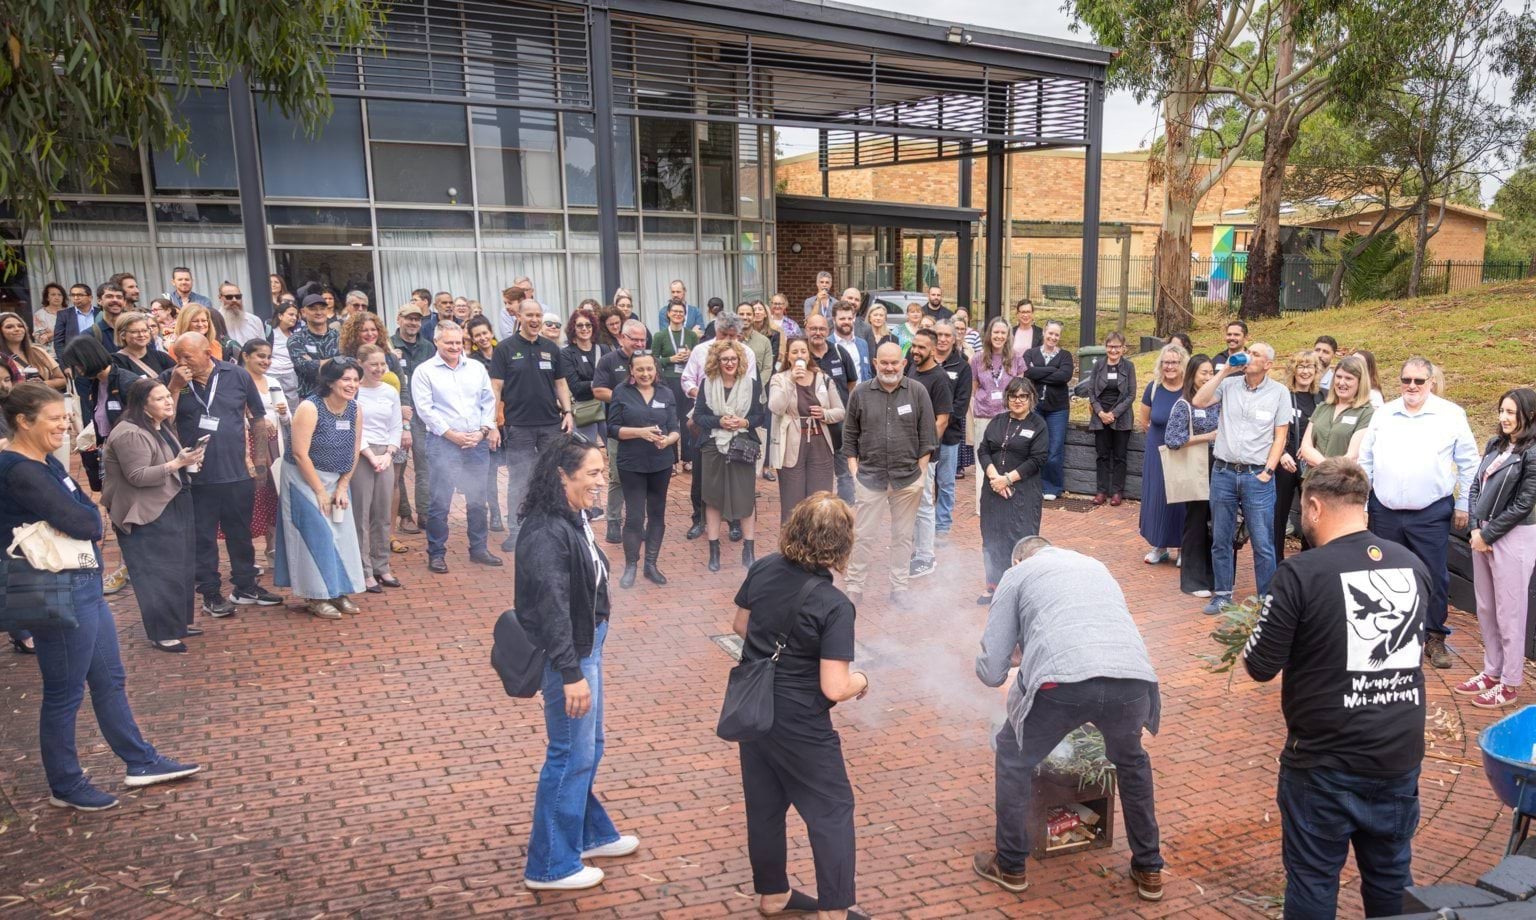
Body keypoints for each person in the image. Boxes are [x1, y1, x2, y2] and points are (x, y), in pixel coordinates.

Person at [0, 382, 201, 811]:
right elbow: (86, 521)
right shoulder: (19, 469)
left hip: (82, 584)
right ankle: (65, 785)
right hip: (57, 592)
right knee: (64, 692)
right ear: (23, 421)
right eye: (54, 418)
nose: (64, 424)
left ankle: (140, 761)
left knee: (109, 680)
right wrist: (89, 518)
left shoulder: (41, 461)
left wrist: (88, 516)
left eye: (64, 416)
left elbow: (86, 512)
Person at [1243, 457, 1429, 919]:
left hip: (1324, 763)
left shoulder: (1301, 574)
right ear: (1363, 507)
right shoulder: (1412, 565)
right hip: (1397, 758)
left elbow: (1260, 664)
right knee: (1391, 879)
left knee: (1312, 881)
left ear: (1314, 508)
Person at [974, 536, 1164, 903]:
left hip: (1063, 684)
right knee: (1132, 762)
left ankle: (1011, 865)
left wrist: (1014, 658)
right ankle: (1150, 867)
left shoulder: (1017, 575)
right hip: (1133, 679)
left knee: (1013, 756)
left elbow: (991, 670)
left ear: (1017, 561)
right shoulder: (1095, 565)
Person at [732, 494, 871, 920]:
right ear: (841, 545)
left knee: (765, 805)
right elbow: (834, 686)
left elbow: (740, 624)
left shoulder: (765, 567)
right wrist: (861, 681)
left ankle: (773, 894)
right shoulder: (834, 605)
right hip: (800, 720)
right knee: (831, 809)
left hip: (753, 707)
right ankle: (834, 909)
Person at [514, 435, 638, 892]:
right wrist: (570, 674)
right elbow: (553, 609)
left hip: (586, 645)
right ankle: (549, 865)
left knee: (590, 746)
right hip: (570, 654)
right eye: (592, 473)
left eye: (603, 472)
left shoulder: (573, 516)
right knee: (570, 754)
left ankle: (588, 834)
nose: (601, 481)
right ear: (561, 476)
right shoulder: (547, 531)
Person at [1358, 356, 1480, 669]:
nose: (1412, 386)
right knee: (1385, 574)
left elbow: (1469, 462)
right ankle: (1390, 637)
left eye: (1418, 381)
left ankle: (1435, 637)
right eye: (1406, 380)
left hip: (1430, 512)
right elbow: (1366, 460)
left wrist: (1465, 503)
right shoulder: (1384, 414)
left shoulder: (1450, 414)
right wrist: (1362, 503)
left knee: (1434, 576)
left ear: (1430, 382)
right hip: (1384, 510)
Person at [161, 332, 282, 617]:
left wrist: (260, 459)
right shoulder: (172, 377)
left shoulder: (237, 375)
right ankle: (210, 593)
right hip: (196, 474)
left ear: (207, 352)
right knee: (202, 536)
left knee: (240, 533)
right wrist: (175, 387)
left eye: (187, 356)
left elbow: (258, 417)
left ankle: (244, 586)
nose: (181, 361)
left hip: (236, 471)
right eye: (177, 356)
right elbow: (162, 421)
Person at [101, 377, 204, 651]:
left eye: (168, 397)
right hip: (145, 512)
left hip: (173, 501)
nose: (169, 401)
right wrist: (176, 463)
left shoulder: (160, 426)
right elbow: (138, 476)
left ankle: (178, 622)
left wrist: (186, 461)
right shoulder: (130, 432)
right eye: (160, 399)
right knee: (157, 572)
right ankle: (162, 632)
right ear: (142, 405)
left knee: (180, 566)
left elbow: (168, 462)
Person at [1191, 342, 1289, 614]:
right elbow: (1199, 401)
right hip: (1223, 472)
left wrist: (1268, 471)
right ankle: (1222, 594)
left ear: (1268, 364)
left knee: (1262, 543)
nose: (1249, 355)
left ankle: (1265, 601)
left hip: (1256, 476)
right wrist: (1224, 372)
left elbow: (1280, 436)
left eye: (1256, 354)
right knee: (1220, 537)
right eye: (1250, 351)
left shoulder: (1280, 393)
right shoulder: (1229, 385)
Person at [842, 341, 936, 605]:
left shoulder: (917, 392)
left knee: (903, 537)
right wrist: (853, 470)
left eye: (895, 362)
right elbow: (849, 436)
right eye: (884, 362)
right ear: (875, 363)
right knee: (863, 536)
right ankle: (855, 587)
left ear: (904, 364)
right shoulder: (860, 393)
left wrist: (920, 476)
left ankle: (899, 589)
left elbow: (928, 436)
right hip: (870, 478)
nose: (889, 367)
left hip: (907, 480)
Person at [1460, 389, 1536, 708]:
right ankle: (1492, 671)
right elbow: (1476, 485)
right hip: (1483, 534)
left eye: (1511, 412)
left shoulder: (1532, 452)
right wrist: (1477, 527)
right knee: (1487, 608)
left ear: (1528, 415)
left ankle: (1510, 682)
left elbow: (1524, 502)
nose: (1504, 418)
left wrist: (1488, 533)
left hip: (1514, 536)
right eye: (1501, 411)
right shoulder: (1495, 445)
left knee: (1510, 612)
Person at [275, 357, 365, 619]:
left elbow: (353, 448)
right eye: (346, 379)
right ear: (330, 382)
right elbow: (300, 453)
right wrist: (319, 491)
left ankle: (338, 591)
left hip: (337, 478)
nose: (352, 385)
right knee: (315, 534)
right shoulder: (310, 407)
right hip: (304, 478)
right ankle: (315, 595)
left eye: (356, 380)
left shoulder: (355, 409)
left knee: (341, 533)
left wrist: (342, 486)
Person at [417, 321, 505, 573]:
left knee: (478, 499)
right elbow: (425, 410)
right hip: (443, 443)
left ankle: (478, 549)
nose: (455, 347)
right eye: (449, 342)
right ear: (437, 342)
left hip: (476, 443)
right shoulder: (425, 371)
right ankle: (436, 553)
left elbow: (488, 401)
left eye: (458, 342)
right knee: (440, 501)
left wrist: (482, 431)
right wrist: (452, 435)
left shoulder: (476, 368)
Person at [492, 299, 573, 553]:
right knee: (519, 479)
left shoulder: (551, 348)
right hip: (519, 426)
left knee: (551, 476)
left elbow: (560, 383)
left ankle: (551, 528)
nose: (535, 320)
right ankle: (516, 531)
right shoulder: (504, 348)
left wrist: (568, 412)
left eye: (538, 315)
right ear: (519, 316)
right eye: (530, 315)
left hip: (550, 424)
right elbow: (496, 387)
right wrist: (494, 422)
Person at [683, 314, 760, 536]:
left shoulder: (747, 353)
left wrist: (739, 419)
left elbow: (750, 386)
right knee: (702, 475)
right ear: (715, 332)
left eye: (732, 336)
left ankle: (734, 521)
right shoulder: (700, 350)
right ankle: (699, 519)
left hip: (738, 422)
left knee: (735, 476)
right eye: (723, 334)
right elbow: (687, 378)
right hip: (704, 418)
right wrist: (700, 393)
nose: (727, 339)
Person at [606, 353, 680, 587]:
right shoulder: (621, 392)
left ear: (656, 369)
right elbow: (612, 428)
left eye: (649, 369)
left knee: (657, 514)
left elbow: (675, 428)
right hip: (632, 463)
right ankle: (631, 566)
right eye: (640, 370)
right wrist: (641, 432)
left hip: (661, 462)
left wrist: (668, 440)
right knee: (635, 517)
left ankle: (651, 565)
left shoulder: (666, 393)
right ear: (631, 371)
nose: (645, 374)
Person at [694, 340, 766, 572]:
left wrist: (743, 422)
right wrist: (719, 421)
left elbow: (759, 416)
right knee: (713, 498)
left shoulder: (752, 385)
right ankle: (714, 552)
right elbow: (698, 417)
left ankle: (749, 550)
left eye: (733, 359)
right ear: (717, 361)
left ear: (740, 360)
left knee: (745, 498)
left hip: (742, 444)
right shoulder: (707, 384)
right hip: (713, 445)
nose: (729, 363)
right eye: (724, 359)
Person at [976, 379, 1048, 603]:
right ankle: (994, 585)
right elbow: (983, 449)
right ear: (1007, 398)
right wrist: (994, 478)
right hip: (993, 491)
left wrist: (1007, 480)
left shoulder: (1038, 425)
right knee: (992, 538)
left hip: (1023, 494)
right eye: (1013, 396)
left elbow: (1038, 459)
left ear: (1031, 399)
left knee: (1020, 540)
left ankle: (1020, 591)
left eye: (1023, 396)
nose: (1018, 400)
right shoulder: (998, 421)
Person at [769, 337, 845, 522]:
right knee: (792, 502)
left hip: (820, 443)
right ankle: (790, 548)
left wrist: (825, 414)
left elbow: (840, 411)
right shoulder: (779, 379)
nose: (799, 355)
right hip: (792, 444)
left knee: (820, 501)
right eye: (794, 352)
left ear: (809, 354)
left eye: (803, 351)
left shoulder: (824, 378)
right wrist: (791, 380)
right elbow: (775, 407)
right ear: (788, 357)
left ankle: (818, 546)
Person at [1165, 354, 1221, 598]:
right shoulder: (1184, 404)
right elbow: (1173, 440)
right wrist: (1206, 437)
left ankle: (1215, 577)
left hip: (1219, 469)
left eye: (1211, 373)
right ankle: (1193, 580)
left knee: (1217, 525)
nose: (1208, 377)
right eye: (1203, 373)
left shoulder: (1218, 401)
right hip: (1197, 470)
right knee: (1196, 524)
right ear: (1192, 375)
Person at [592, 318, 650, 543]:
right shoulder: (608, 360)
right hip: (618, 428)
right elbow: (598, 390)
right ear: (622, 338)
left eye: (642, 339)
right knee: (618, 476)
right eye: (634, 339)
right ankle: (613, 522)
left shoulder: (648, 360)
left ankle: (637, 523)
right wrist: (626, 398)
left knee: (643, 476)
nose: (639, 343)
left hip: (646, 428)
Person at [353, 344, 404, 594]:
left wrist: (390, 453)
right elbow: (354, 426)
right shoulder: (355, 392)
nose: (379, 369)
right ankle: (363, 570)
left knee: (383, 514)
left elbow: (396, 425)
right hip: (362, 454)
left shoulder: (390, 391)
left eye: (382, 364)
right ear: (361, 363)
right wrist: (370, 454)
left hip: (386, 454)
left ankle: (381, 565)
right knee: (361, 514)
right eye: (373, 364)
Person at [905, 329, 953, 580]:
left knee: (923, 504)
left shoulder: (940, 379)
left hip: (924, 455)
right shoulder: (912, 369)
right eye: (914, 345)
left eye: (922, 347)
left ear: (933, 350)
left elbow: (942, 421)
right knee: (909, 503)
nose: (915, 350)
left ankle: (926, 556)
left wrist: (923, 450)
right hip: (905, 453)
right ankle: (915, 550)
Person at [1137, 343, 1189, 564]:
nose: (1170, 366)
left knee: (1181, 500)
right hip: (1157, 450)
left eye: (1174, 362)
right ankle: (1160, 546)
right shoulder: (1154, 387)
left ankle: (1184, 549)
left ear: (1182, 364)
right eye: (1166, 362)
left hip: (1183, 452)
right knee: (1158, 498)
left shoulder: (1189, 389)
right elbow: (1144, 421)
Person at [238, 339, 286, 570]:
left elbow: (284, 417)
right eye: (260, 356)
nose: (265, 361)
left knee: (274, 496)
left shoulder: (274, 381)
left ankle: (273, 549)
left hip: (275, 445)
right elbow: (234, 411)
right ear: (246, 356)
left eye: (268, 357)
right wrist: (257, 421)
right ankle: (246, 557)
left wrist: (284, 415)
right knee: (252, 498)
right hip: (250, 445)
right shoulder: (238, 379)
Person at [1274, 350, 1322, 561]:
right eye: (1301, 366)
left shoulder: (1322, 397)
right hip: (1285, 463)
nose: (1305, 371)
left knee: (1312, 516)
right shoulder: (1282, 394)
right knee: (1278, 516)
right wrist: (1282, 453)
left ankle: (1307, 562)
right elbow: (1270, 428)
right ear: (1293, 370)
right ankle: (1275, 564)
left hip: (1310, 466)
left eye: (1309, 366)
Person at [391, 302, 434, 534]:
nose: (413, 323)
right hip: (395, 414)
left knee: (424, 466)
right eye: (409, 318)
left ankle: (425, 514)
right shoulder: (388, 345)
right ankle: (405, 515)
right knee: (398, 466)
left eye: (417, 319)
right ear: (399, 319)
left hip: (422, 414)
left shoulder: (428, 347)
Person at [932, 323, 975, 549]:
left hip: (949, 435)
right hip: (922, 435)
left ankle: (942, 527)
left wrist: (941, 422)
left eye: (947, 335)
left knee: (946, 482)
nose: (942, 339)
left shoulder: (962, 367)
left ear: (954, 338)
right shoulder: (922, 362)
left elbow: (961, 403)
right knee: (923, 483)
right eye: (938, 334)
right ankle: (923, 525)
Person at [1021, 320, 1073, 501]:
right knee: (1033, 446)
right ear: (1044, 333)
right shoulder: (1030, 353)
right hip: (1035, 408)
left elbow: (1064, 376)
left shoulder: (1065, 356)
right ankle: (1032, 485)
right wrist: (1052, 370)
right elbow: (1027, 373)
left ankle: (1052, 487)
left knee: (1054, 449)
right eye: (1050, 333)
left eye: (1056, 335)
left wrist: (1039, 372)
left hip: (1057, 410)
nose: (1053, 337)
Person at [1298, 354, 1374, 477]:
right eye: (1338, 377)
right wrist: (1327, 466)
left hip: (1343, 483)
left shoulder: (1366, 413)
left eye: (1348, 378)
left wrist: (1324, 467)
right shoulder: (1323, 407)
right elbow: (1306, 447)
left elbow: (1352, 456)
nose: (1341, 382)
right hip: (1313, 481)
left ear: (1360, 382)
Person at [1087, 331, 1137, 506]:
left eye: (1116, 346)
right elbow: (1091, 392)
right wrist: (1101, 412)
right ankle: (1101, 491)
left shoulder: (1129, 367)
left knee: (1119, 456)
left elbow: (1131, 395)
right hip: (1100, 416)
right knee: (1101, 455)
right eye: (1110, 346)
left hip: (1121, 418)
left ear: (1123, 349)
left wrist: (1113, 414)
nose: (1113, 350)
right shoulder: (1099, 365)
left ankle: (1117, 492)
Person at [561, 306, 609, 445]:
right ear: (573, 329)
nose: (584, 328)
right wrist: (599, 384)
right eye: (580, 325)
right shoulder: (567, 353)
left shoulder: (603, 349)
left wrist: (591, 383)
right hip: (585, 409)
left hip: (607, 407)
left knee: (615, 452)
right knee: (586, 452)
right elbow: (575, 387)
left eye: (588, 325)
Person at [287, 294, 341, 398]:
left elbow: (349, 363)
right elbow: (306, 367)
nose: (319, 312)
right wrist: (336, 360)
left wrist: (316, 362)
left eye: (322, 308)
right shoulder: (296, 339)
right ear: (303, 312)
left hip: (338, 395)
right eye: (313, 309)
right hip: (310, 397)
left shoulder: (339, 337)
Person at [0, 311, 66, 391]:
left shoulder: (38, 352)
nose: (17, 329)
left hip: (43, 400)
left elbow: (62, 379)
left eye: (20, 326)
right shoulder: (1, 357)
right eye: (9, 327)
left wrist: (43, 384)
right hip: (13, 402)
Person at [110, 312, 176, 380]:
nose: (141, 335)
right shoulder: (116, 361)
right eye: (134, 331)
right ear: (122, 335)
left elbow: (180, 382)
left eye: (144, 331)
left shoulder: (161, 356)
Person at [266, 300, 300, 403]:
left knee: (293, 406)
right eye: (290, 314)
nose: (294, 318)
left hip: (290, 374)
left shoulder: (294, 335)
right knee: (274, 405)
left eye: (296, 316)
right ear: (280, 316)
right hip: (272, 373)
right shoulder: (269, 332)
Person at [53, 282, 98, 358]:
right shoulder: (64, 315)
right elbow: (58, 343)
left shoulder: (100, 313)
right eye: (73, 295)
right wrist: (65, 365)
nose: (76, 298)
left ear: (90, 297)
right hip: (75, 359)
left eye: (80, 295)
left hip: (98, 356)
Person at [33, 282, 66, 353]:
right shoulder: (39, 315)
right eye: (53, 294)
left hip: (69, 353)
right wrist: (63, 331)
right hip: (50, 355)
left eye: (60, 295)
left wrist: (50, 334)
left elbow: (74, 334)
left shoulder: (70, 313)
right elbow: (41, 339)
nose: (57, 297)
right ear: (47, 298)